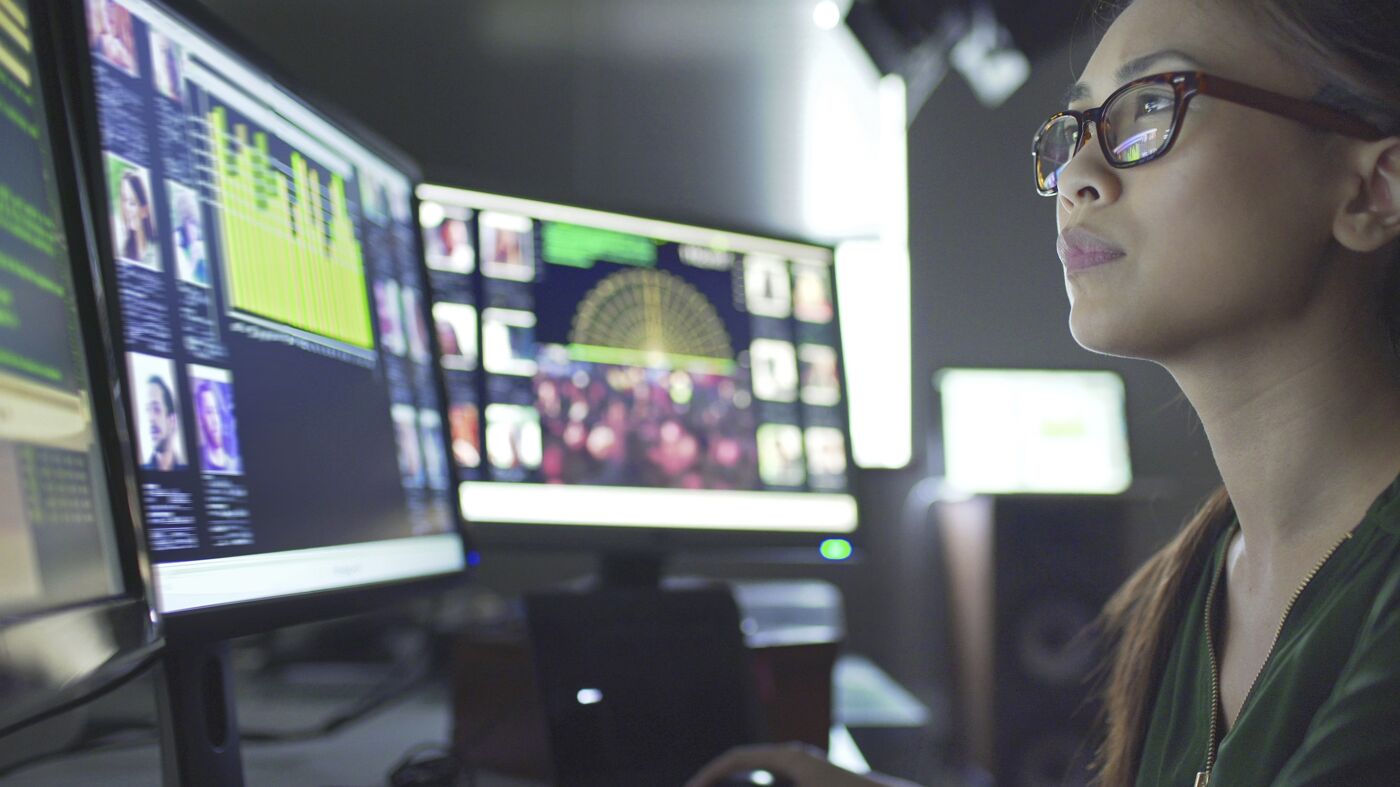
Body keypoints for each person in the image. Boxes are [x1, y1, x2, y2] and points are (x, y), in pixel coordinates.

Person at [689, 0, 1400, 784]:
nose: (1076, 177)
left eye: (1150, 108)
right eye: (1073, 132)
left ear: (1372, 191)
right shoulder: (1204, 574)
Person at [142, 375, 184, 472]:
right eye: (147, 410)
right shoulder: (143, 472)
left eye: (156, 409)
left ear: (172, 420)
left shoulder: (186, 472)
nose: (150, 418)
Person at [195, 382, 238, 474]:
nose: (215, 420)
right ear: (200, 419)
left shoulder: (236, 464)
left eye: (217, 412)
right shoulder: (198, 462)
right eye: (209, 412)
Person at [117, 171, 157, 268]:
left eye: (132, 202)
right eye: (124, 200)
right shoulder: (123, 252)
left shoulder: (158, 252)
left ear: (144, 210)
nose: (126, 209)